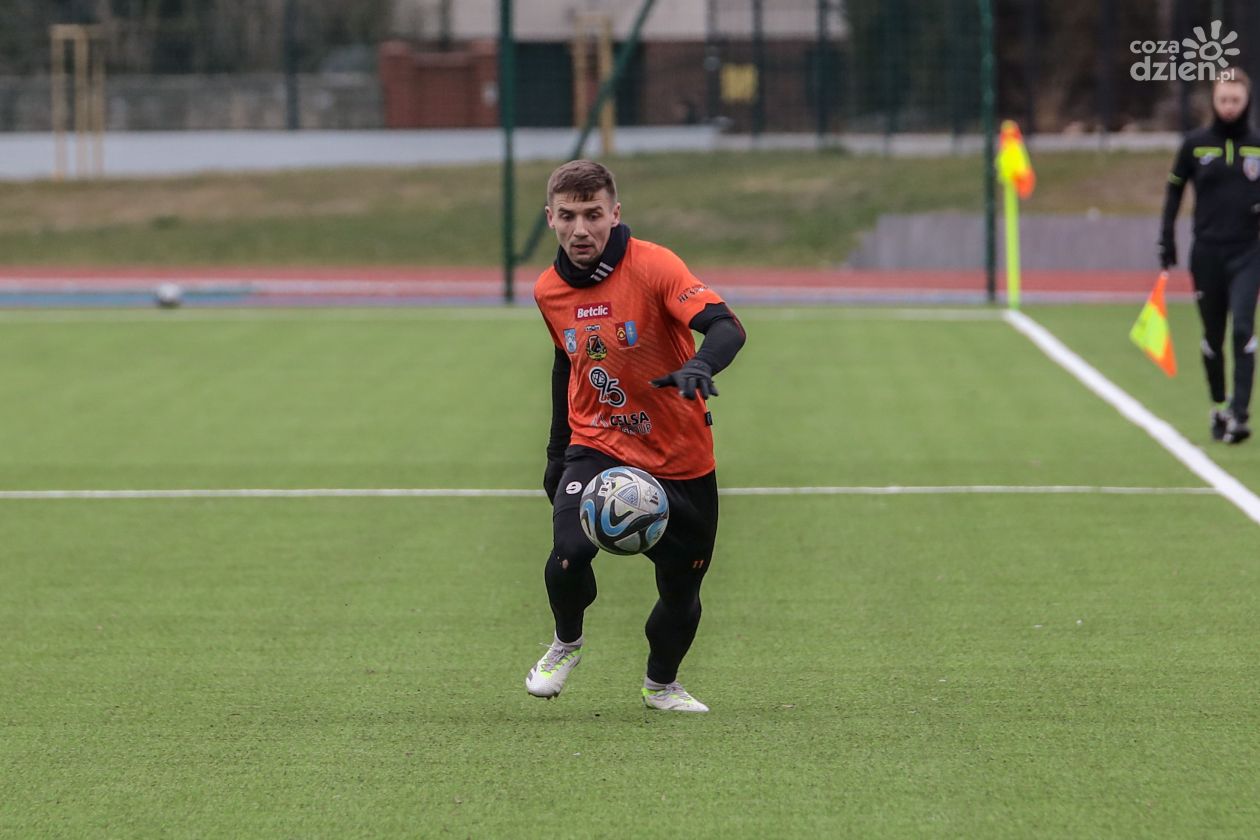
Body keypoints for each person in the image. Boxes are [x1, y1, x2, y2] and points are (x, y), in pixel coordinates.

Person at [526, 160, 746, 713]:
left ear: (615, 214)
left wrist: (701, 365)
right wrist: (556, 453)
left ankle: (661, 684)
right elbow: (566, 363)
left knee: (681, 590)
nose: (581, 229)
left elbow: (726, 326)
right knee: (569, 552)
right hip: (597, 443)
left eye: (593, 214)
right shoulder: (548, 289)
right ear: (550, 218)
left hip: (680, 457)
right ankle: (566, 643)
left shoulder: (654, 266)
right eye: (568, 216)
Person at [1161, 69, 1260, 445]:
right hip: (1206, 253)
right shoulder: (1195, 144)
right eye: (1223, 99)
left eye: (1236, 99)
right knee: (1213, 337)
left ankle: (1240, 413)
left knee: (1242, 329)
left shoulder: (1256, 145)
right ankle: (1219, 404)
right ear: (1214, 101)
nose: (1230, 106)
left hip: (1247, 252)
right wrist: (1166, 238)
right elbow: (1174, 190)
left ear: (1247, 100)